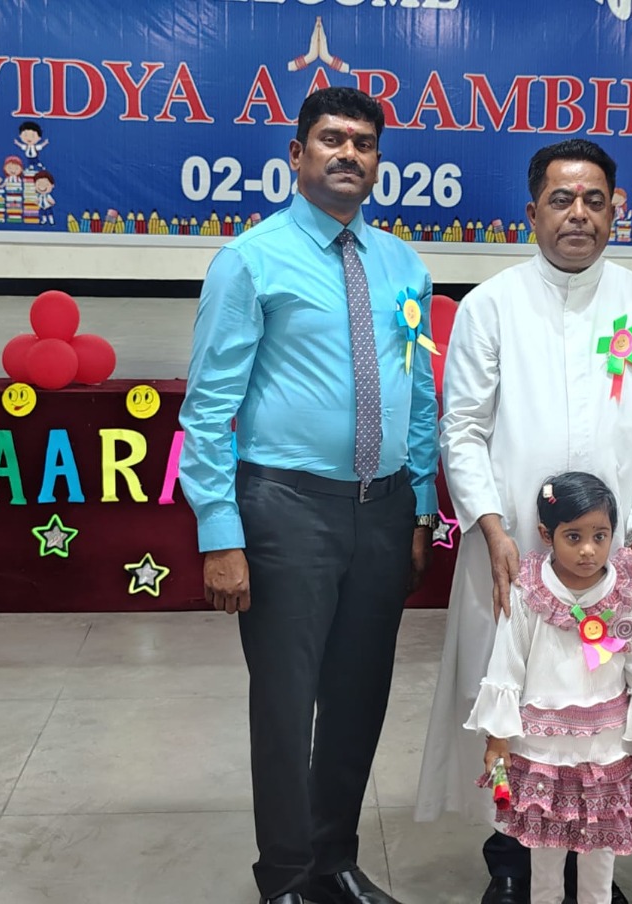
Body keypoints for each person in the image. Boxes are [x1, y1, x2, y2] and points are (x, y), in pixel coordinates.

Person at [415, 138, 632, 904]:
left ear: (614, 213)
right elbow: (461, 427)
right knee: (514, 702)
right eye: (561, 199)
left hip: (615, 560)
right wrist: (490, 526)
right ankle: (512, 861)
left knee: (606, 710)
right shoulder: (491, 305)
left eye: (594, 200)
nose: (578, 214)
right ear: (531, 211)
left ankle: (593, 860)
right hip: (513, 551)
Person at [179, 86, 440, 904]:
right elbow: (207, 409)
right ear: (297, 154)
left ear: (377, 162)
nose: (348, 153)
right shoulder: (250, 260)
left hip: (384, 509)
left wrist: (421, 504)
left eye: (363, 143)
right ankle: (286, 877)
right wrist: (219, 532)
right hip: (285, 510)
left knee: (359, 699)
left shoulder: (402, 263)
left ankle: (333, 862)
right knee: (287, 706)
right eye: (331, 139)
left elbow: (417, 393)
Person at [466, 472, 632, 904]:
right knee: (545, 862)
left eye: (599, 536)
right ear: (546, 534)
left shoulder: (626, 592)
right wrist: (498, 736)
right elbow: (506, 665)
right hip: (542, 752)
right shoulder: (529, 592)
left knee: (599, 863)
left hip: (607, 750)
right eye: (574, 537)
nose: (588, 549)